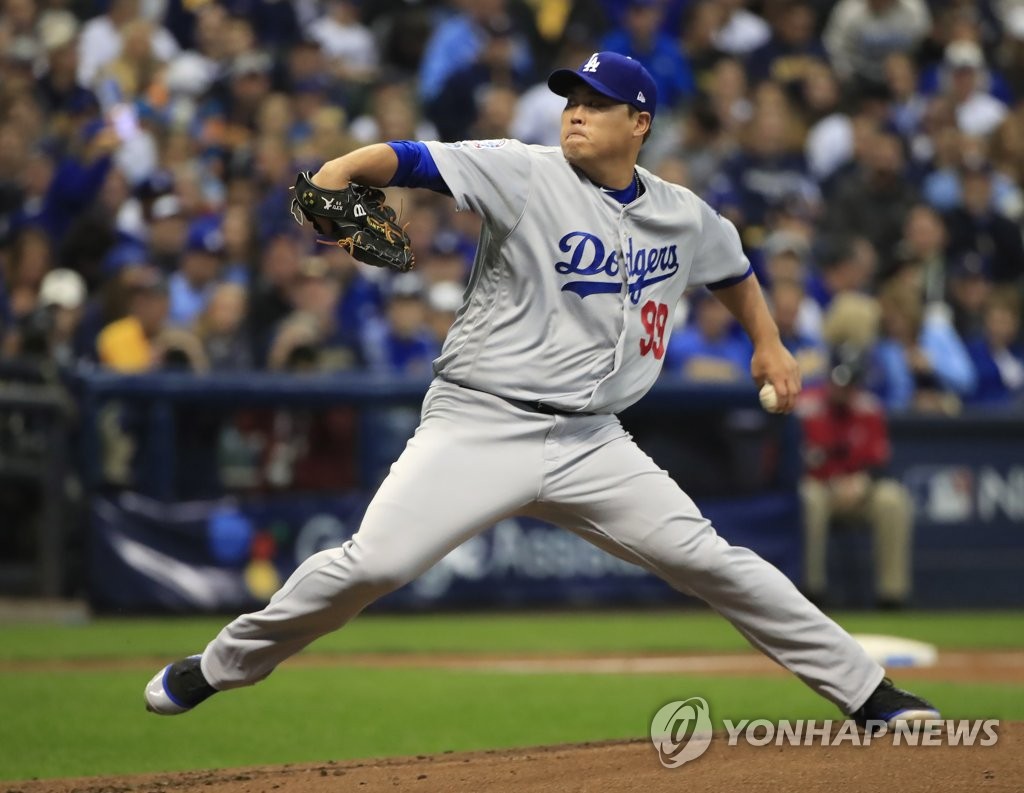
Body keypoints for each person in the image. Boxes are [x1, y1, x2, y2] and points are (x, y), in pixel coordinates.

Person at [144, 52, 937, 728]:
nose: (576, 113)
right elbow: (413, 159)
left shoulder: (682, 214)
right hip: (480, 423)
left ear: (640, 123)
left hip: (594, 442)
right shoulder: (522, 171)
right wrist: (342, 171)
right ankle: (216, 666)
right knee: (371, 566)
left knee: (717, 562)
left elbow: (732, 266)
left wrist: (768, 341)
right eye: (571, 100)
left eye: (598, 103)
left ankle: (872, 696)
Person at [798, 343, 915, 609]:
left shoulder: (869, 409)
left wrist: (863, 482)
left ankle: (891, 596)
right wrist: (830, 482)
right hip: (820, 487)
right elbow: (793, 462)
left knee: (892, 499)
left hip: (857, 491)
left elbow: (879, 462)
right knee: (808, 498)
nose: (843, 389)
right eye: (839, 381)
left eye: (850, 383)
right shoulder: (806, 407)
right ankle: (811, 591)